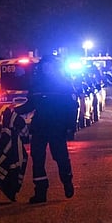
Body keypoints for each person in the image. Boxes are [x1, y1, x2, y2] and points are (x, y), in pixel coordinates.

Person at [15, 54, 78, 204]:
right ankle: (40, 192)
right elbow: (31, 105)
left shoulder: (64, 84)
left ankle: (67, 182)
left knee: (60, 157)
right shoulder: (36, 85)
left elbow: (72, 107)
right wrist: (15, 111)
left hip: (58, 127)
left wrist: (70, 127)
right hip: (40, 127)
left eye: (49, 65)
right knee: (37, 159)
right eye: (44, 66)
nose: (47, 68)